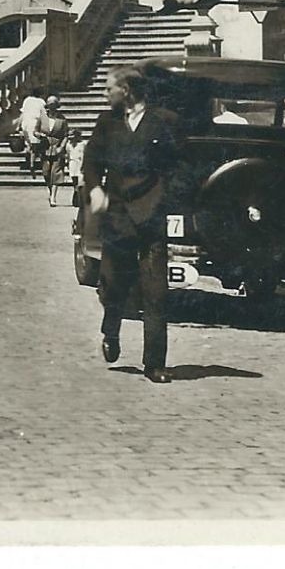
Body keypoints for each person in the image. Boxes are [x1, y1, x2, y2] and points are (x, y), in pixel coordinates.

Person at [82, 65, 183, 385]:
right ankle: (110, 331)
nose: (104, 93)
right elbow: (91, 161)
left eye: (108, 88)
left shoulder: (163, 122)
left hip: (151, 218)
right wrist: (95, 188)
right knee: (113, 284)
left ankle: (155, 364)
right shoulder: (107, 122)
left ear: (125, 90)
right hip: (118, 216)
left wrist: (164, 199)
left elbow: (179, 167)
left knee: (155, 292)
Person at [37, 95, 71, 207]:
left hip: (57, 147)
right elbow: (35, 131)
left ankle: (53, 198)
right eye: (50, 106)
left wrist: (62, 147)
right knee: (46, 172)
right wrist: (39, 135)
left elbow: (66, 135)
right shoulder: (42, 118)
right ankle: (51, 191)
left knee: (56, 173)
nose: (52, 108)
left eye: (54, 106)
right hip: (45, 146)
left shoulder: (62, 119)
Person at [17, 89, 48, 171]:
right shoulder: (41, 102)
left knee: (28, 144)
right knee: (35, 145)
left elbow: (22, 114)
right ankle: (32, 164)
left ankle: (29, 162)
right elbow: (44, 115)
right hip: (34, 123)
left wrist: (18, 126)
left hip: (26, 123)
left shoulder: (27, 100)